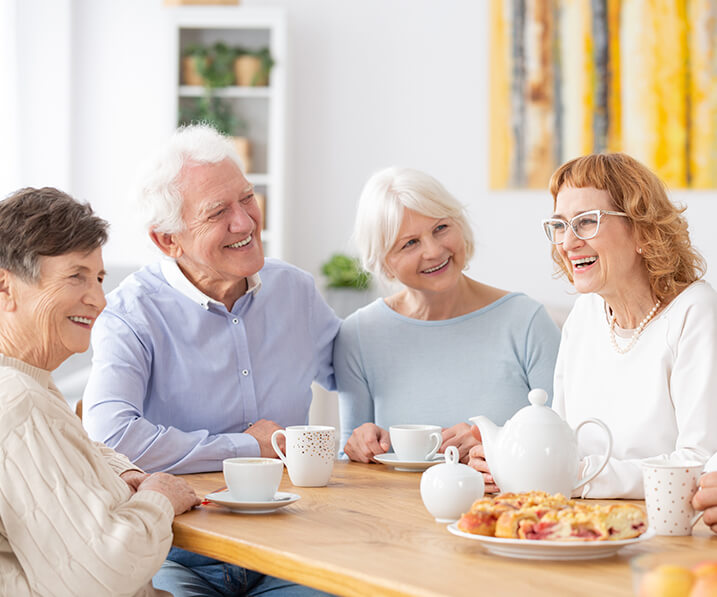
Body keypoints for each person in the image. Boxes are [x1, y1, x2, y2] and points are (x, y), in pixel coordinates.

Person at [82, 124, 339, 596]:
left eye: (247, 198)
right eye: (218, 212)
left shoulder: (296, 292)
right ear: (167, 240)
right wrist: (245, 446)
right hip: (180, 554)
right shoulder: (130, 312)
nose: (244, 222)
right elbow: (111, 436)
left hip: (293, 549)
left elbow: (359, 367)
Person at [471, 153, 717, 498]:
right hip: (579, 524)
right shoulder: (585, 314)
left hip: (665, 534)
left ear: (642, 230)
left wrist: (569, 474)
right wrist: (509, 460)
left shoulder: (695, 311)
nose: (568, 243)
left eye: (586, 221)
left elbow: (699, 462)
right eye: (559, 225)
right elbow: (560, 440)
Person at [0, 187, 199, 596]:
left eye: (100, 278)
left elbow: (69, 452)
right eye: (77, 276)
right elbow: (103, 574)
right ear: (5, 287)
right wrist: (159, 497)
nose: (99, 300)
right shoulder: (21, 402)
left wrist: (119, 469)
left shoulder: (27, 384)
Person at [335, 167, 560, 464]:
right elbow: (350, 458)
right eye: (410, 243)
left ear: (460, 226)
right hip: (394, 508)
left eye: (441, 228)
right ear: (384, 263)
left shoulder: (526, 321)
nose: (433, 250)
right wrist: (358, 444)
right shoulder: (358, 334)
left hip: (509, 507)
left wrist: (494, 440)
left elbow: (567, 438)